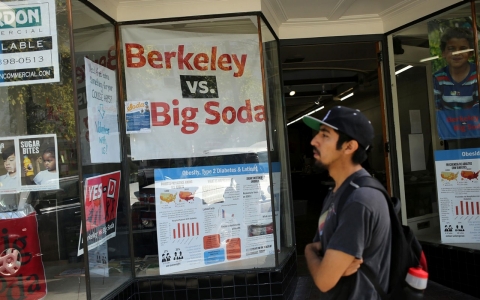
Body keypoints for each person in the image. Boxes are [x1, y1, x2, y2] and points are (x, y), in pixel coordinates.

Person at [303, 106, 391, 299]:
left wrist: (308, 251)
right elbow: (323, 246)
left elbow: (324, 280)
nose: (314, 141)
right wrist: (326, 260)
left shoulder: (359, 201)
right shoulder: (337, 192)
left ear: (349, 147)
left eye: (325, 135)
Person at [433, 27, 478, 111]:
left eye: (463, 48)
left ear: (471, 53)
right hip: (447, 123)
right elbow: (436, 109)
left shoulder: (477, 74)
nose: (457, 53)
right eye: (451, 49)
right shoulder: (438, 78)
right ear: (443, 53)